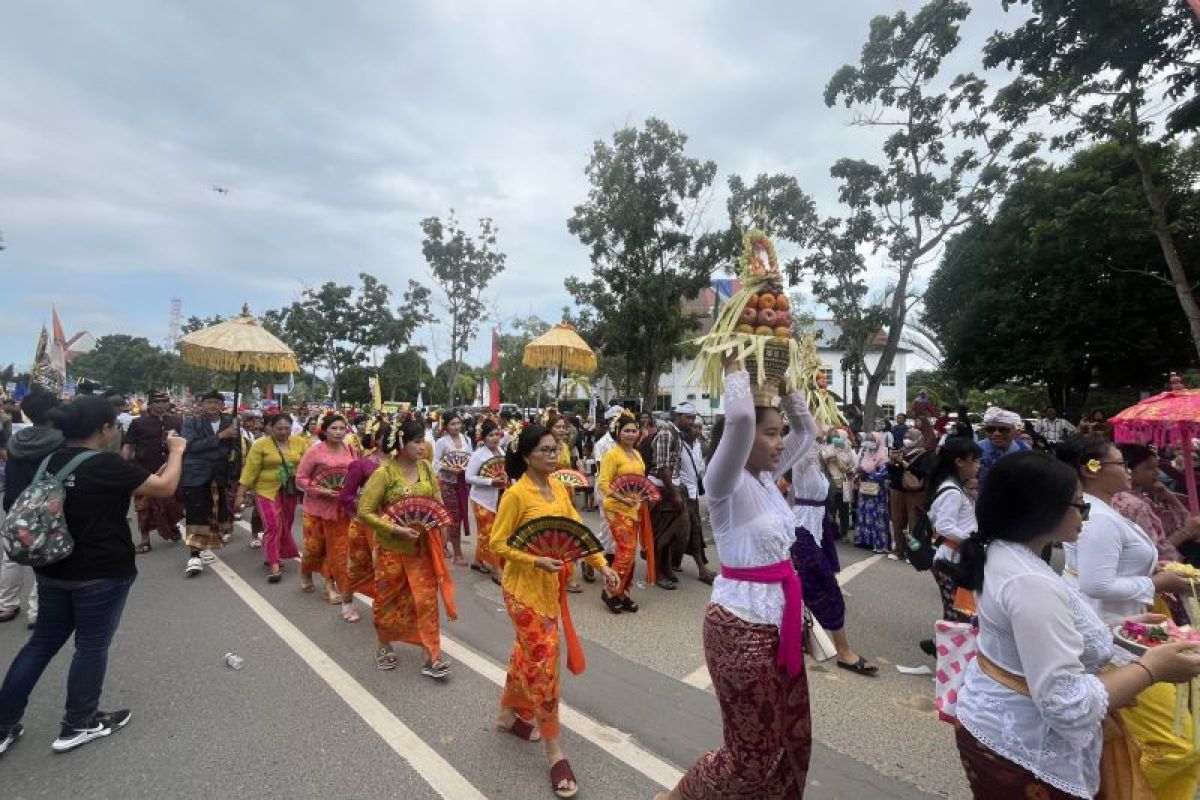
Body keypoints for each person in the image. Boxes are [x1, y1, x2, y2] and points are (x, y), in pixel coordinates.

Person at [949, 451, 1200, 799]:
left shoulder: (1007, 553)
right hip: (1020, 744)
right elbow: (1066, 703)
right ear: (1042, 509)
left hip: (996, 722)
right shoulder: (1028, 580)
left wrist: (1118, 629)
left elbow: (1039, 636)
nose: (1086, 515)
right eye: (1079, 506)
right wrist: (1153, 668)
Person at [658, 359, 812, 800]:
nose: (781, 442)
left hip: (780, 621)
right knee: (750, 757)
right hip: (740, 627)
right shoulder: (724, 483)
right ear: (739, 441)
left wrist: (785, 387)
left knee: (790, 738)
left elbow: (808, 434)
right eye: (771, 433)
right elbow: (742, 418)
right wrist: (734, 365)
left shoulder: (767, 479)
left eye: (780, 432)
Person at [0, 396, 184, 756]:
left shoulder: (49, 460)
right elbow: (164, 488)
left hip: (53, 567)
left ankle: (3, 724)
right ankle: (79, 722)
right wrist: (176, 451)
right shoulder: (106, 465)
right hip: (101, 571)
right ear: (103, 429)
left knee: (40, 645)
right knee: (91, 647)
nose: (117, 429)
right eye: (114, 424)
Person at [1058, 435, 1200, 798]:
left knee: (1170, 733)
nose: (1127, 471)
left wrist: (1157, 569)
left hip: (1125, 628)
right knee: (1173, 741)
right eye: (1120, 463)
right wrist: (1155, 582)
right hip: (1113, 638)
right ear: (1091, 470)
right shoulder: (1098, 517)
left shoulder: (1105, 509)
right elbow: (1096, 582)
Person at [489, 425, 619, 799]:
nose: (553, 455)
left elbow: (577, 531)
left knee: (526, 655)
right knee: (544, 665)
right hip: (523, 592)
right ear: (527, 455)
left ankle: (506, 714)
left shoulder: (560, 488)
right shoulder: (516, 495)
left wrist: (603, 565)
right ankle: (554, 750)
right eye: (545, 450)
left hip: (551, 588)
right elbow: (497, 542)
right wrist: (534, 559)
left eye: (555, 449)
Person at [357, 421, 456, 678]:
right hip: (392, 549)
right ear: (401, 444)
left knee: (425, 600)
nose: (422, 446)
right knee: (388, 599)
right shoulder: (384, 474)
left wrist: (441, 531)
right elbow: (364, 511)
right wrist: (395, 529)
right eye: (416, 441)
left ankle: (431, 655)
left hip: (423, 548)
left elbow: (438, 504)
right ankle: (384, 644)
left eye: (423, 440)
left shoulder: (425, 469)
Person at [783, 418, 877, 677]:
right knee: (824, 586)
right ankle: (843, 651)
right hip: (802, 526)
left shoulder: (825, 453)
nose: (826, 425)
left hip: (819, 525)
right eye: (820, 420)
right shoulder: (803, 454)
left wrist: (839, 451)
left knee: (810, 584)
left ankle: (803, 637)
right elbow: (802, 427)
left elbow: (848, 470)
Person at [0, 389, 62, 628]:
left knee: (11, 556)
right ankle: (37, 611)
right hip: (48, 506)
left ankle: (6, 604)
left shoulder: (17, 439)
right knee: (46, 557)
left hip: (15, 504)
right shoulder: (60, 440)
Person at [296, 413, 357, 614]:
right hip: (315, 508)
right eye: (334, 428)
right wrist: (321, 490)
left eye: (342, 428)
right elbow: (301, 479)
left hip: (341, 510)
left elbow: (357, 475)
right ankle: (305, 571)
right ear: (324, 430)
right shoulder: (314, 451)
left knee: (338, 550)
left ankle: (330, 586)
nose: (339, 432)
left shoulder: (351, 450)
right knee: (314, 548)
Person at [236, 413, 306, 584]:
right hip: (265, 491)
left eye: (287, 428)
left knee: (285, 525)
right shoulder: (260, 445)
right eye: (279, 428)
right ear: (270, 428)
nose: (283, 432)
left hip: (289, 491)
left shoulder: (300, 442)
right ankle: (274, 564)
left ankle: (273, 554)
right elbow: (250, 470)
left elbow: (307, 464)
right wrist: (240, 494)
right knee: (273, 525)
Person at [597, 411, 652, 614]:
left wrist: (643, 496)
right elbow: (603, 483)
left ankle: (623, 591)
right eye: (626, 431)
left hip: (635, 509)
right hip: (616, 508)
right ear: (618, 433)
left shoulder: (637, 454)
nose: (630, 434)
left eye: (634, 430)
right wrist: (623, 498)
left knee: (630, 554)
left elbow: (641, 481)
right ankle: (610, 590)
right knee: (625, 551)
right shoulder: (612, 454)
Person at [180, 390, 238, 578]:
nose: (213, 406)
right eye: (209, 402)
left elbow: (234, 450)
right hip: (195, 473)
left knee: (214, 512)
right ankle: (194, 554)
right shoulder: (191, 422)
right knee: (196, 511)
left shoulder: (231, 421)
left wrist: (235, 474)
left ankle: (206, 547)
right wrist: (220, 437)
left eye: (216, 402)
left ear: (222, 405)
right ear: (202, 405)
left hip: (220, 474)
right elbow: (189, 446)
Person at [925, 436, 982, 627]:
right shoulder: (953, 492)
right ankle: (949, 650)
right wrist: (974, 540)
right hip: (950, 558)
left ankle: (947, 648)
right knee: (958, 612)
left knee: (959, 609)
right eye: (974, 460)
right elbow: (944, 526)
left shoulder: (955, 486)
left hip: (953, 556)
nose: (978, 465)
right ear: (959, 461)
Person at [1111, 443, 1200, 564]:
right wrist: (1186, 532)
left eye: (1156, 467)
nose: (1157, 473)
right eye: (1148, 468)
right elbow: (1153, 552)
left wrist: (1171, 498)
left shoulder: (1145, 497)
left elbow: (1190, 525)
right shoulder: (1133, 505)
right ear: (1128, 469)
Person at [121, 389, 183, 552]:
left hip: (170, 469)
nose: (161, 405)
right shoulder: (138, 423)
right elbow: (128, 445)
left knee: (172, 504)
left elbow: (183, 443)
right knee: (144, 508)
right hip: (144, 470)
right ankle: (145, 540)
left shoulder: (177, 421)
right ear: (150, 404)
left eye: (164, 402)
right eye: (157, 402)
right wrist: (122, 465)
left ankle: (172, 527)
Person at [465, 419, 507, 577]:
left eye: (497, 434)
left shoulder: (502, 452)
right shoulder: (478, 455)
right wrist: (490, 481)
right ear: (483, 438)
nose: (495, 438)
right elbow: (468, 477)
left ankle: (478, 561)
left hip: (498, 498)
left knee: (491, 532)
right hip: (481, 499)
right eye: (491, 435)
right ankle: (496, 570)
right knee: (489, 533)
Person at [675, 417, 715, 584]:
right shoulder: (678, 445)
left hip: (694, 494)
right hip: (682, 493)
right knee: (695, 530)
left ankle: (675, 562)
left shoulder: (698, 445)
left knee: (689, 530)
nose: (697, 431)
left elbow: (700, 468)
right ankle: (701, 569)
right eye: (694, 428)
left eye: (699, 428)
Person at [886, 428, 933, 562]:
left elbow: (923, 473)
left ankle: (913, 554)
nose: (907, 440)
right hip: (897, 490)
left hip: (915, 493)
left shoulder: (925, 455)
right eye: (906, 437)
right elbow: (892, 473)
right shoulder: (900, 452)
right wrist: (892, 463)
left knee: (914, 523)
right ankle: (898, 550)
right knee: (897, 521)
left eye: (911, 438)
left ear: (919, 439)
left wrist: (904, 463)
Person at [433, 411, 472, 567]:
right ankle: (457, 554)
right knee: (454, 518)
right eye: (452, 424)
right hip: (448, 484)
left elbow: (470, 459)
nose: (456, 426)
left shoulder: (466, 439)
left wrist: (464, 468)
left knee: (460, 516)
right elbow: (435, 464)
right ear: (446, 426)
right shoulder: (442, 442)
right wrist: (450, 469)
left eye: (458, 423)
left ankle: (444, 544)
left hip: (463, 484)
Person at [852, 432, 891, 553]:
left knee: (877, 516)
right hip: (865, 489)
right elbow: (861, 467)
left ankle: (879, 543)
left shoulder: (883, 455)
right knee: (865, 514)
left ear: (878, 441)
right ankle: (865, 540)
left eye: (871, 439)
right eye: (867, 439)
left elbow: (884, 473)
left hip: (878, 492)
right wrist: (859, 473)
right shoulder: (866, 453)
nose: (868, 441)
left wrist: (870, 474)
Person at [976, 406, 1029, 486]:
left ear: (1014, 431)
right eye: (990, 429)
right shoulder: (976, 450)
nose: (996, 434)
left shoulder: (1024, 450)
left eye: (1003, 429)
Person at [820, 430, 856, 539]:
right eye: (834, 435)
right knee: (831, 507)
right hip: (830, 482)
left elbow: (852, 466)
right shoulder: (828, 448)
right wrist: (831, 457)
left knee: (844, 509)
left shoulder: (848, 450)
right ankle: (832, 531)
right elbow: (824, 457)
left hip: (844, 482)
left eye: (838, 436)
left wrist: (839, 462)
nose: (835, 437)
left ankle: (844, 532)